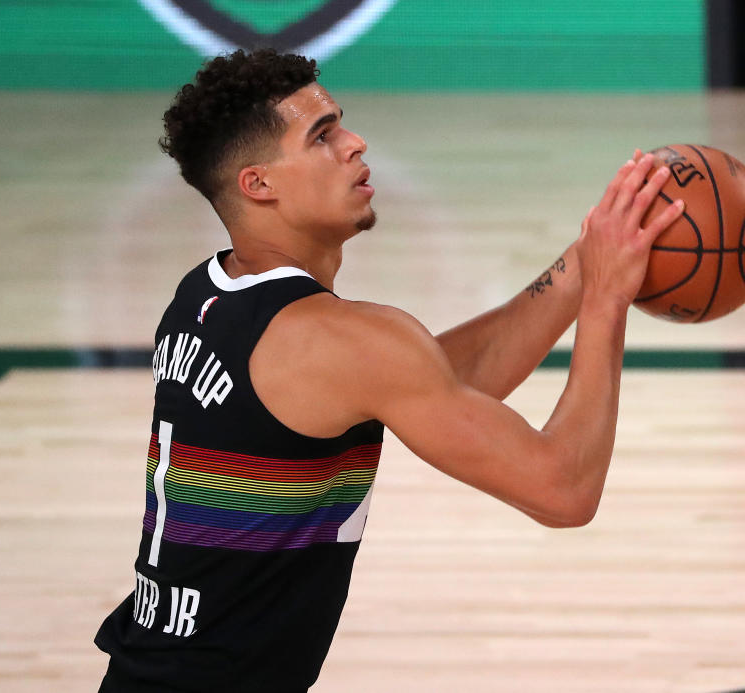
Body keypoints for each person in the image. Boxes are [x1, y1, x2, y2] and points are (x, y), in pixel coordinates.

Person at [94, 49, 685, 692]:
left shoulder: (206, 297)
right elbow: (565, 490)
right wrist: (606, 300)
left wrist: (587, 256)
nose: (355, 142)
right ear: (259, 183)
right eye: (322, 136)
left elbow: (432, 384)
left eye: (340, 122)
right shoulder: (344, 341)